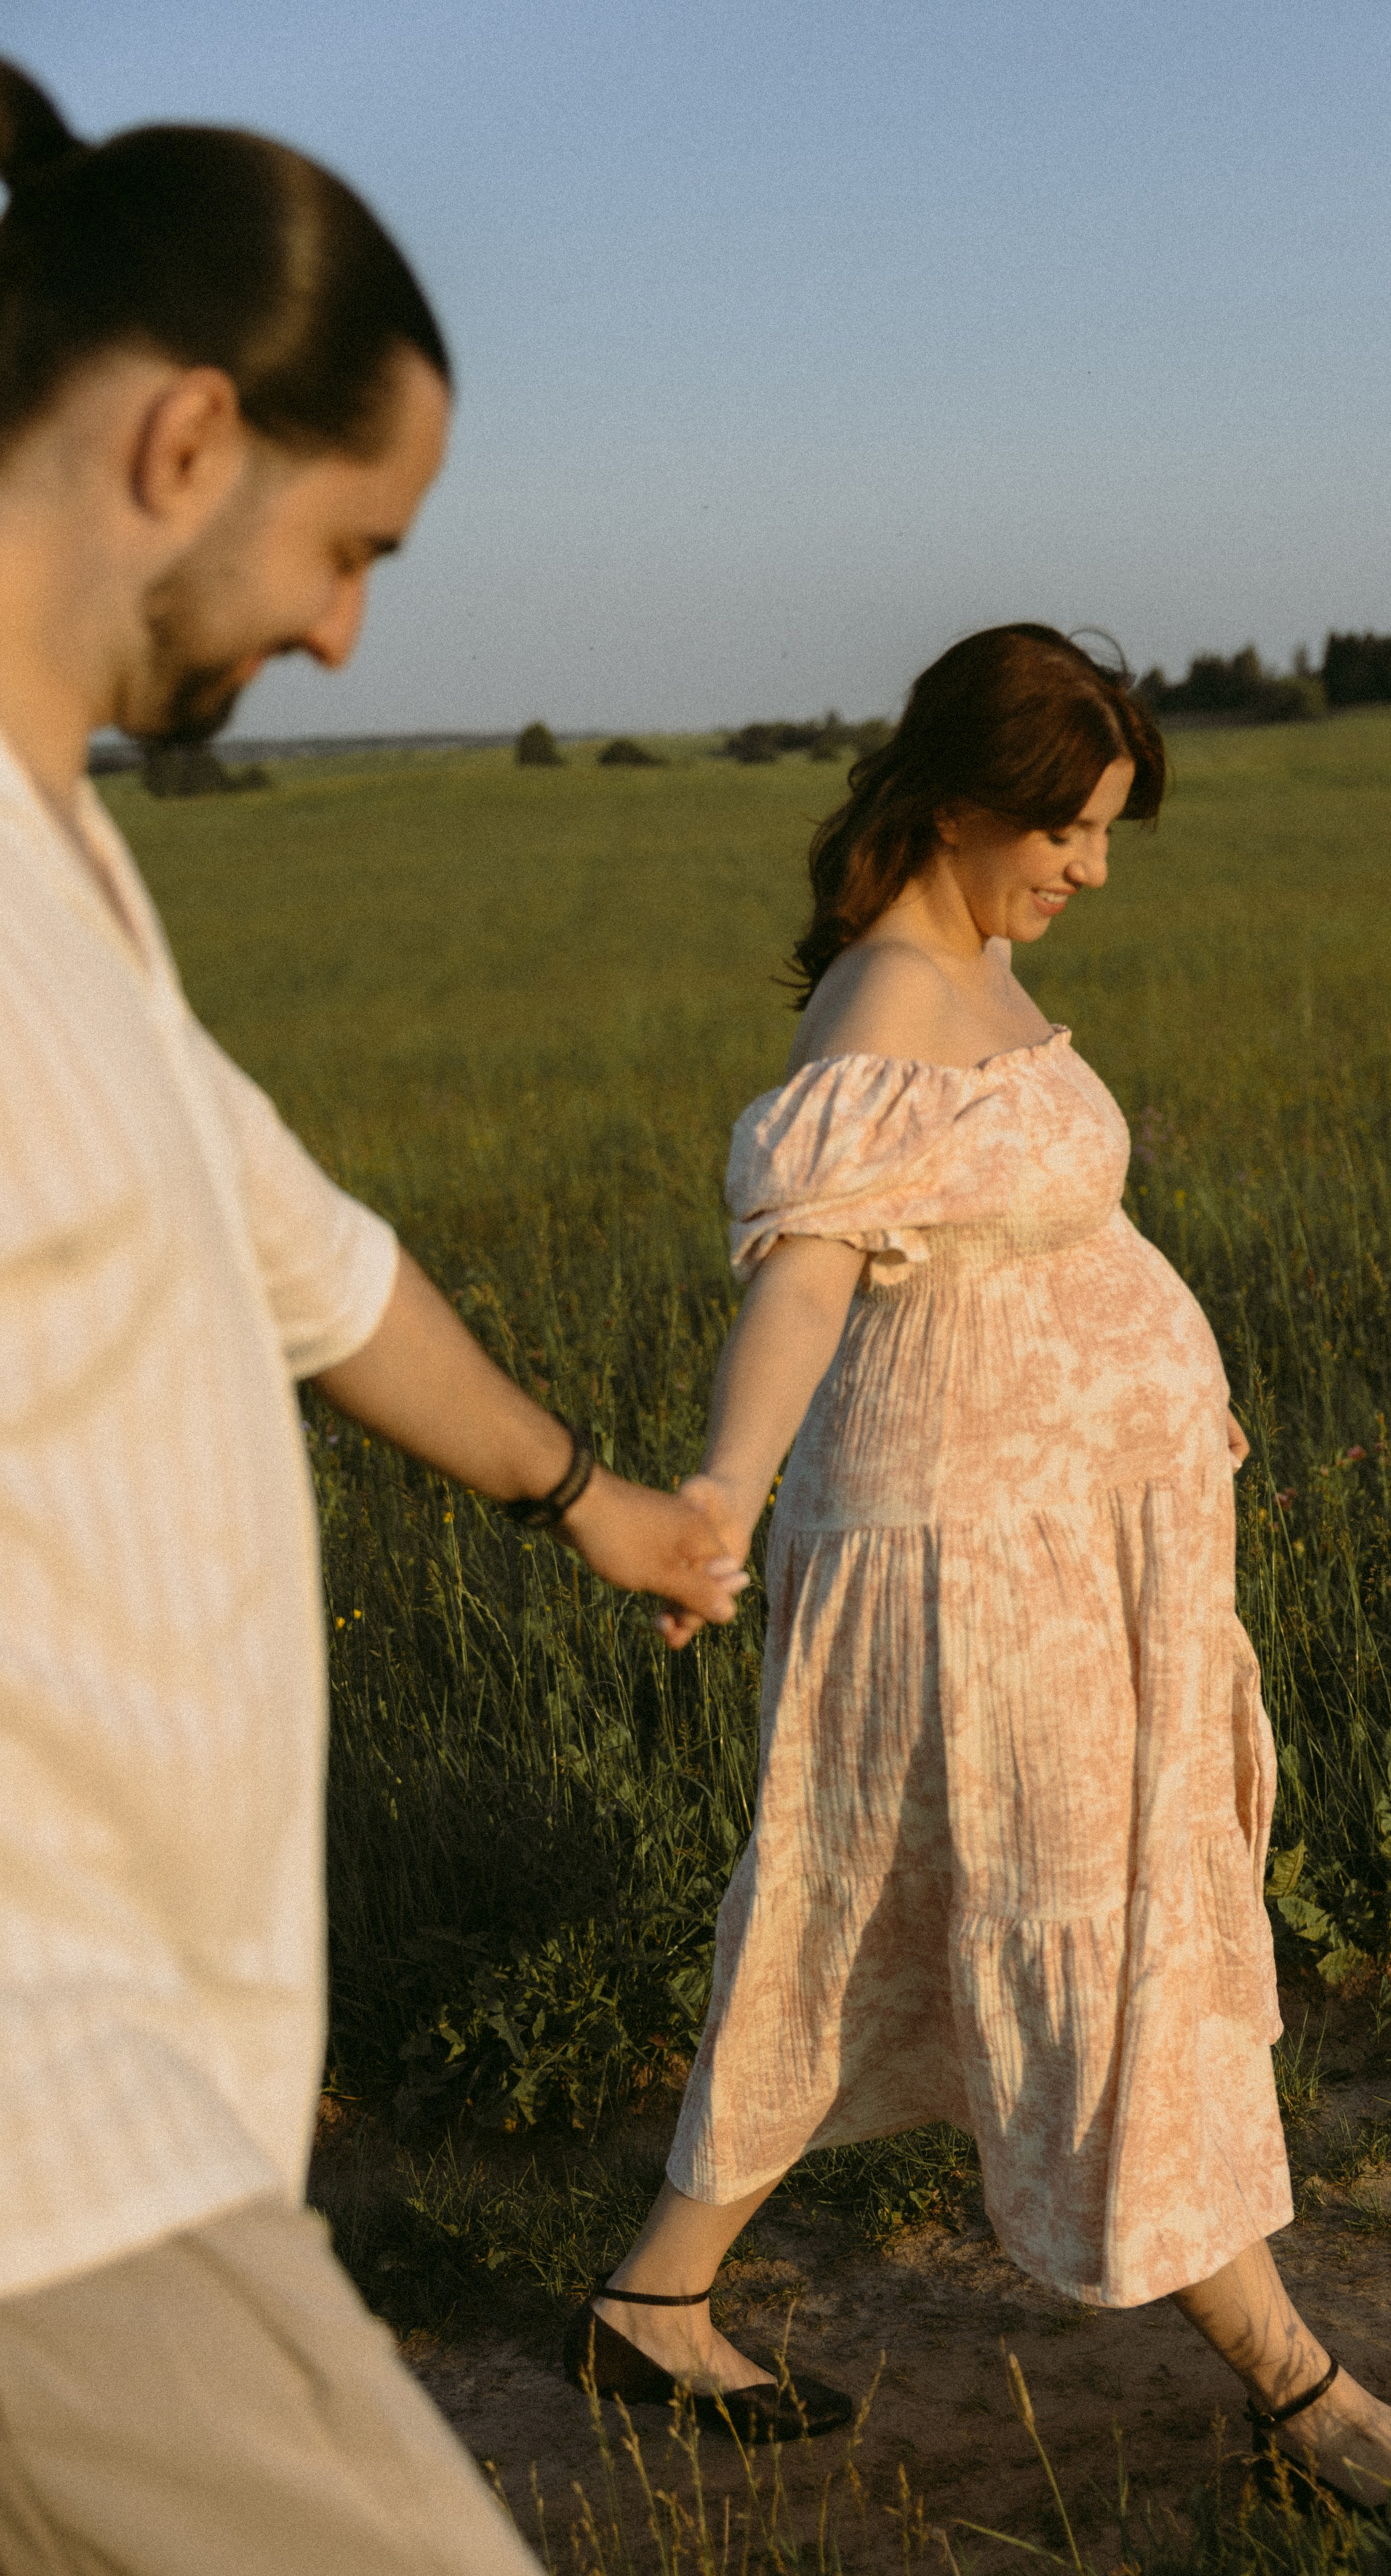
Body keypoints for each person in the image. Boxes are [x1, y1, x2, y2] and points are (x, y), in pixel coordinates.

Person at [0, 62, 745, 2576]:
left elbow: (322, 1270)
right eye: (355, 542)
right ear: (190, 438)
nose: (343, 626)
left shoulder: (65, 876)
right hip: (47, 2155)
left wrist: (595, 1503)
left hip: (156, 2117)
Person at [571, 625, 1391, 2506]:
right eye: (1070, 829)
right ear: (972, 801)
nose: (1091, 868)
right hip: (963, 1562)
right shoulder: (885, 1005)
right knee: (1089, 1930)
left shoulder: (971, 958)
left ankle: (654, 2302)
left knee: (859, 1910)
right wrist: (721, 1492)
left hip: (1060, 1547)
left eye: (1107, 833)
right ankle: (1303, 2388)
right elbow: (807, 1272)